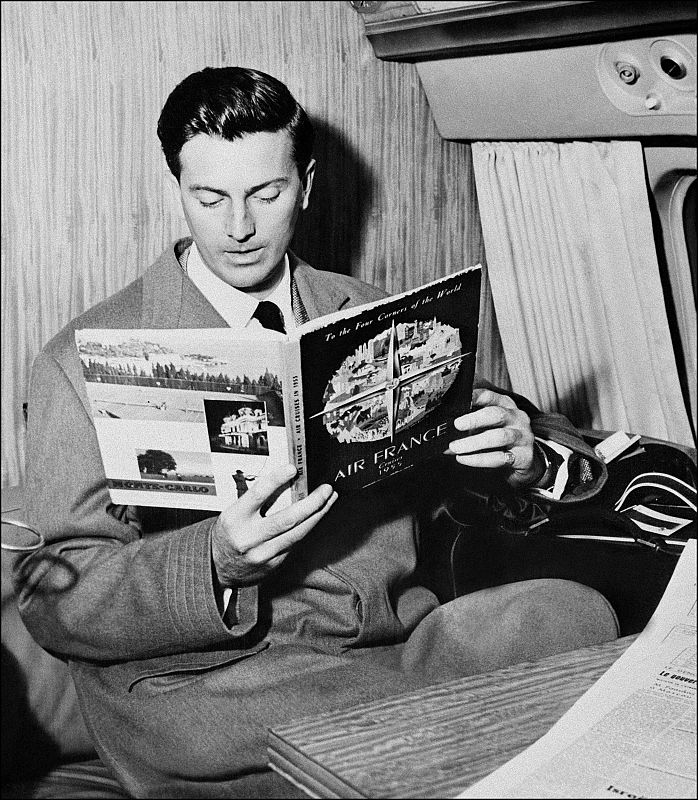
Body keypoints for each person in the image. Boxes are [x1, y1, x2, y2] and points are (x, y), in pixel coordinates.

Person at [18, 67, 618, 798]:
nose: (238, 227)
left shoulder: (376, 315)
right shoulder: (83, 358)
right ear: (176, 185)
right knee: (269, 718)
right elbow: (57, 598)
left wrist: (527, 453)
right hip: (217, 681)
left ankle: (411, 730)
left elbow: (555, 446)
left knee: (570, 613)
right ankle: (430, 731)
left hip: (388, 649)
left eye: (265, 194)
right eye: (209, 197)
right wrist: (214, 561)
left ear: (305, 183)